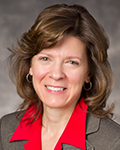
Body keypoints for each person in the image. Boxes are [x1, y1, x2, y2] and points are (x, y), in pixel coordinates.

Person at [0, 3, 120, 150]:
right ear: (30, 66)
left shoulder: (114, 142)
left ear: (89, 73)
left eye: (71, 62)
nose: (56, 74)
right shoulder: (5, 128)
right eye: (45, 59)